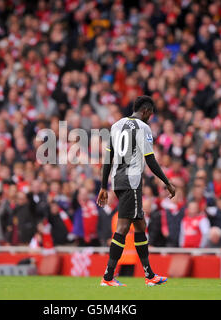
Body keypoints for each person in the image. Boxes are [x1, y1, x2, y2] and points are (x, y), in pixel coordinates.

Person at [97, 96, 176, 287]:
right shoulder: (143, 128)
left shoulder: (116, 126)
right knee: (123, 228)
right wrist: (167, 182)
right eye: (151, 115)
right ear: (147, 111)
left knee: (140, 226)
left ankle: (149, 275)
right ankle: (107, 277)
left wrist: (103, 186)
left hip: (117, 180)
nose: (150, 118)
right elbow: (150, 159)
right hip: (132, 182)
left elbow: (108, 158)